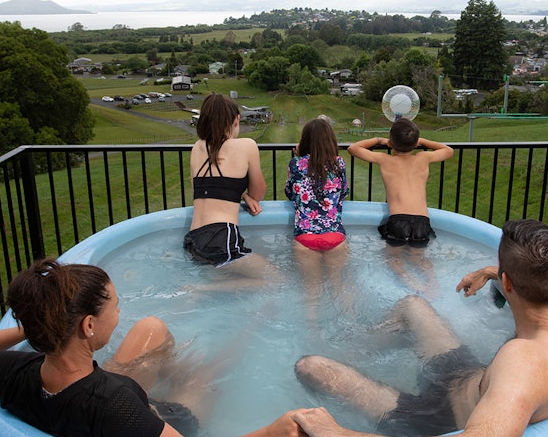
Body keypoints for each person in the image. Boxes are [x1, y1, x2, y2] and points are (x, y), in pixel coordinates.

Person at [292, 219, 548, 437]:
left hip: (436, 420)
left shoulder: (525, 362)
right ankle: (354, 350)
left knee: (310, 367)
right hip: (469, 377)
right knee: (413, 305)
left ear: (507, 284)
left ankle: (345, 362)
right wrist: (490, 272)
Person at [0, 259, 314, 437]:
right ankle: (256, 322)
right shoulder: (117, 404)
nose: (118, 313)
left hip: (75, 384)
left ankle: (175, 365)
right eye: (115, 306)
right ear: (87, 326)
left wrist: (39, 323)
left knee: (150, 329)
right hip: (166, 422)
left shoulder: (16, 374)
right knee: (204, 376)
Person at [347, 118, 453, 295]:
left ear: (390, 143)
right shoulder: (424, 157)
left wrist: (378, 141)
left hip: (398, 221)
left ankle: (411, 282)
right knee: (418, 259)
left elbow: (353, 149)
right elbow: (448, 150)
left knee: (392, 258)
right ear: (416, 143)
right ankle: (432, 283)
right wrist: (423, 142)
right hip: (422, 222)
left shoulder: (384, 159)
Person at [184, 92, 278, 289]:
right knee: (276, 280)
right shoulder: (247, 145)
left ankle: (207, 288)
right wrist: (247, 194)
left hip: (194, 240)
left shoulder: (197, 147)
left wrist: (240, 194)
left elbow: (201, 189)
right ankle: (202, 290)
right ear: (236, 119)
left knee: (231, 279)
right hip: (221, 236)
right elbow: (258, 193)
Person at [284, 118, 352, 326]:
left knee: (312, 293)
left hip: (305, 238)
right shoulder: (338, 163)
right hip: (335, 236)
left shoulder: (296, 164)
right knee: (339, 287)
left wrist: (298, 155)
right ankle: (349, 329)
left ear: (304, 140)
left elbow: (289, 193)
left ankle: (312, 335)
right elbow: (343, 194)